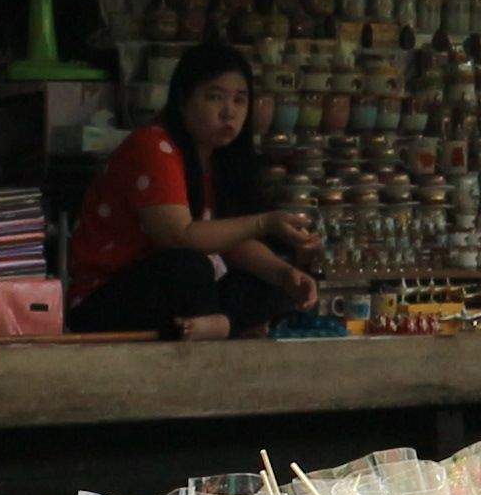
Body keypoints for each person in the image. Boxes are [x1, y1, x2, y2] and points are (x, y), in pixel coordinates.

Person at [67, 40, 317, 340]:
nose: (229, 112)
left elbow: (230, 242)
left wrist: (285, 275)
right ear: (184, 99)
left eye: (240, 100)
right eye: (215, 97)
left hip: (182, 301)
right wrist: (264, 222)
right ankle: (228, 326)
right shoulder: (152, 145)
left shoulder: (215, 159)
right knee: (188, 266)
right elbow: (178, 235)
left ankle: (221, 325)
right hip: (107, 298)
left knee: (271, 285)